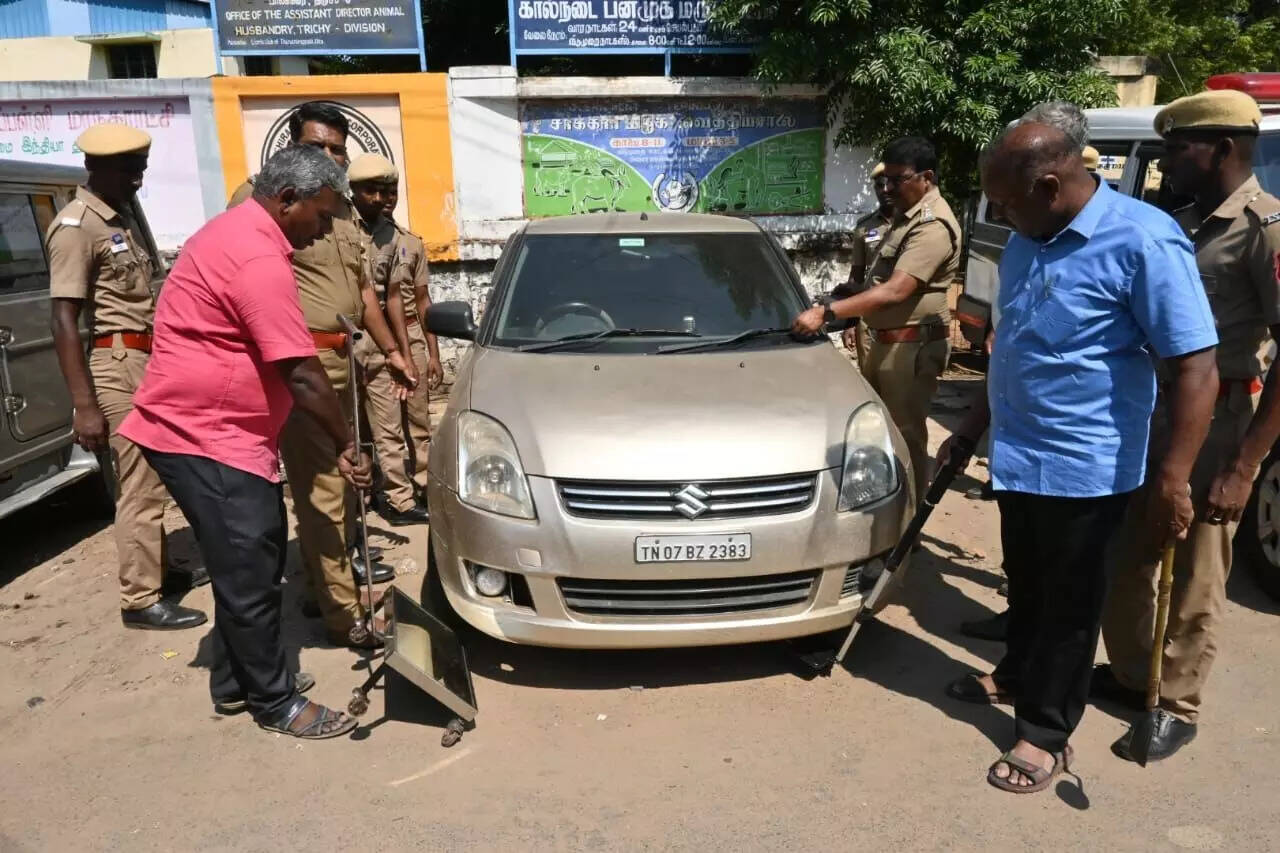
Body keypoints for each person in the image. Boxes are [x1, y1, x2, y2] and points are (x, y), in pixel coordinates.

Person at [935, 121, 1219, 793]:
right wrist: (973, 425)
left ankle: (1045, 731)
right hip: (1019, 451)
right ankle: (1015, 673)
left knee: (1068, 603)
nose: (999, 216)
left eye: (1006, 203)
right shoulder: (1027, 241)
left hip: (1086, 461)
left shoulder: (1143, 240)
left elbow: (1196, 366)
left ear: (1052, 186)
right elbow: (1014, 345)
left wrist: (1174, 476)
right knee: (1026, 581)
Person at [120, 145, 369, 740]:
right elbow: (302, 372)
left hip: (217, 429)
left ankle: (237, 682)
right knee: (252, 565)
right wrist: (346, 446)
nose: (326, 226)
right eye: (321, 213)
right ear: (287, 200)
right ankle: (274, 702)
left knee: (247, 559)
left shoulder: (239, 233)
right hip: (204, 433)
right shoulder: (256, 257)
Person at [1099, 89, 1280, 762]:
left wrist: (1243, 467)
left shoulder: (1265, 229)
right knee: (1130, 552)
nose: (1168, 160)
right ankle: (1131, 674)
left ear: (1224, 150)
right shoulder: (1173, 221)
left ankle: (1175, 702)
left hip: (1221, 417)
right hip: (1152, 410)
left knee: (1199, 565)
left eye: (1180, 148)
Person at [230, 102, 415, 649]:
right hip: (301, 366)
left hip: (348, 361)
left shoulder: (341, 210)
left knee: (347, 483)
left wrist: (391, 353)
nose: (331, 157)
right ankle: (342, 615)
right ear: (292, 147)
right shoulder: (262, 202)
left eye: (338, 148)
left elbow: (364, 294)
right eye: (319, 147)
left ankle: (327, 585)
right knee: (324, 491)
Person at [46, 122, 207, 631]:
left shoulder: (120, 220)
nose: (138, 178)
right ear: (96, 167)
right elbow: (63, 319)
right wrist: (84, 405)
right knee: (139, 482)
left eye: (140, 167)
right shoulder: (76, 227)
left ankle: (157, 569)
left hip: (147, 362)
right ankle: (140, 598)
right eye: (128, 169)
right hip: (117, 366)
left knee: (156, 472)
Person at [792, 136, 959, 501]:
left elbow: (894, 291)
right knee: (878, 432)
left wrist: (827, 313)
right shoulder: (902, 219)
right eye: (884, 181)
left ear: (926, 177)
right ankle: (888, 504)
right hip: (883, 341)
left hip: (910, 346)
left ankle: (909, 520)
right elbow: (867, 282)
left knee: (905, 435)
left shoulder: (931, 225)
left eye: (898, 179)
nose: (889, 188)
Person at [346, 153, 442, 526]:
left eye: (391, 191)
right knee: (362, 426)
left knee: (411, 423)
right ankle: (371, 492)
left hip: (402, 336)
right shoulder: (339, 230)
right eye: (375, 190)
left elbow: (415, 300)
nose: (385, 198)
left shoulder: (405, 241)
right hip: (353, 339)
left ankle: (414, 489)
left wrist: (424, 353)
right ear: (354, 191)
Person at [831, 162, 893, 365]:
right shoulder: (865, 227)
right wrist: (851, 322)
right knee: (871, 376)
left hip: (906, 315)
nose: (884, 190)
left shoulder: (914, 223)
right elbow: (856, 278)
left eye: (888, 184)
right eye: (879, 186)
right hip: (871, 317)